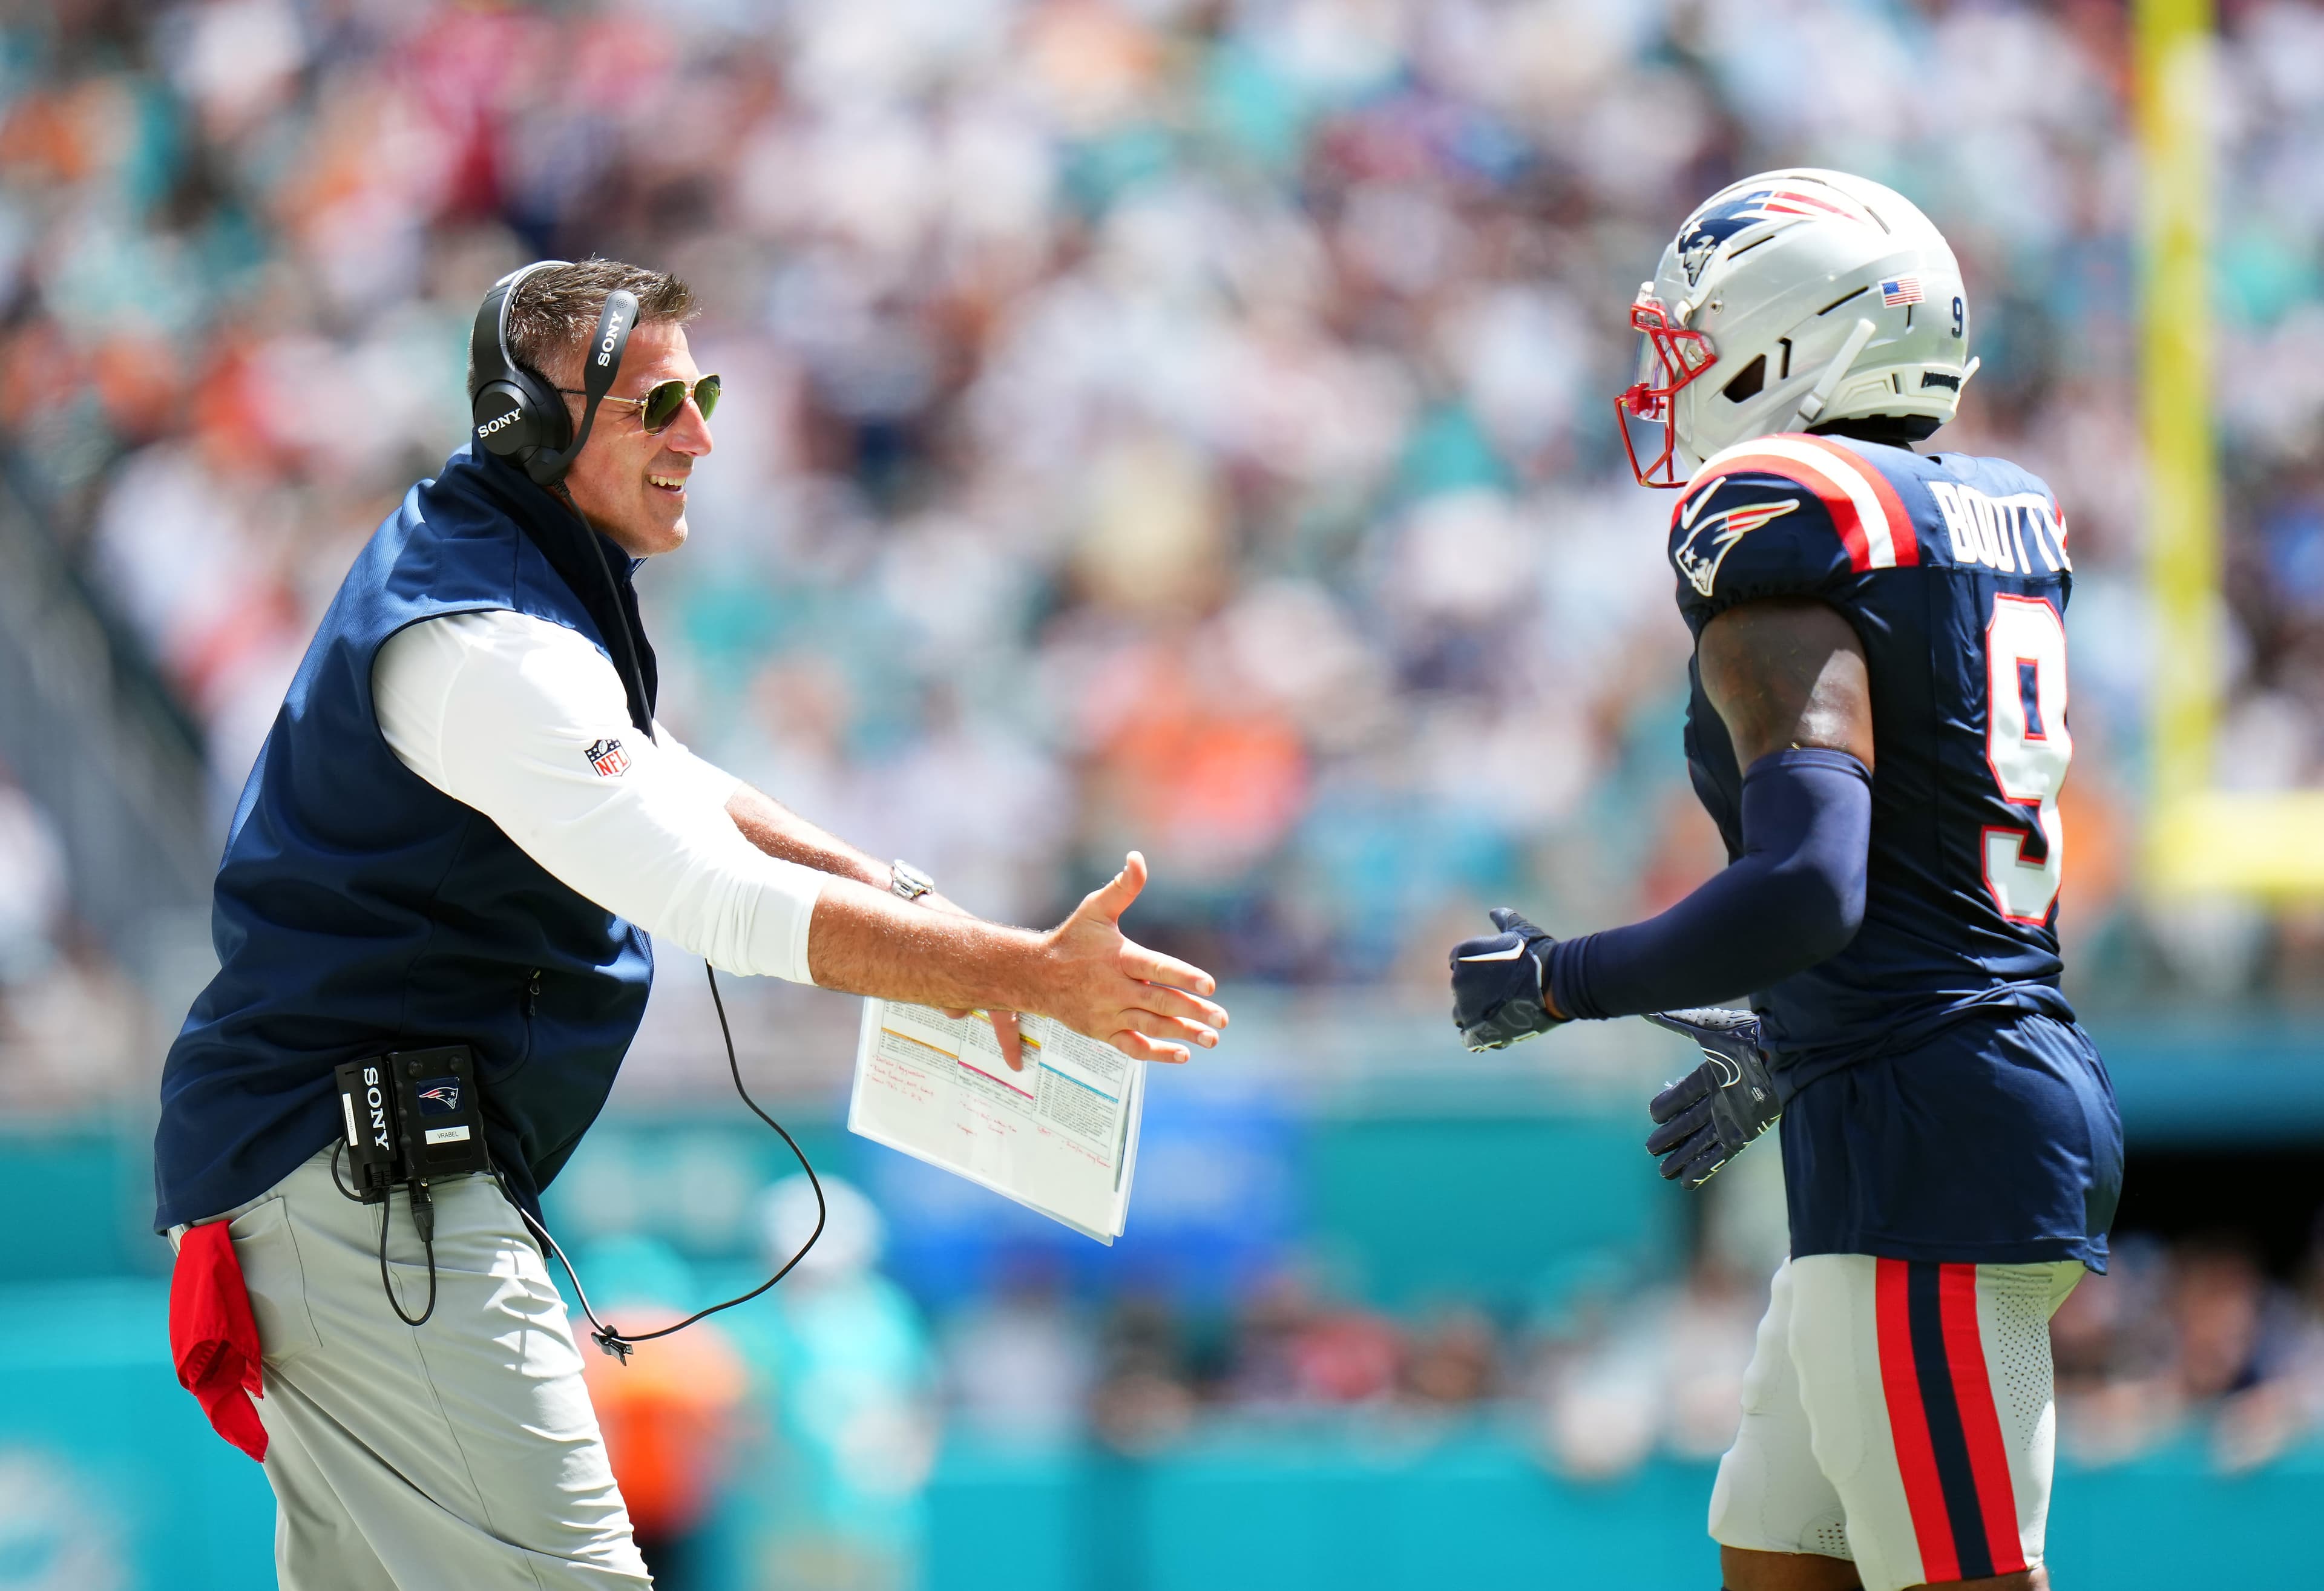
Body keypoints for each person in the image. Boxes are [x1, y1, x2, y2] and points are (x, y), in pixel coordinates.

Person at [153, 257, 1228, 1590]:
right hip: (369, 1188)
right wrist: (1004, 971)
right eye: (658, 405)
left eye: (703, 393)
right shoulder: (490, 639)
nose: (703, 434)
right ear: (532, 427)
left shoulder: (502, 574)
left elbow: (666, 772)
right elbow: (702, 893)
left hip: (355, 1184)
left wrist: (916, 910)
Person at [1447, 172, 2121, 1591]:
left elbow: (1815, 879)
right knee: (1777, 1555)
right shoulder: (1978, 513)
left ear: (1787, 345)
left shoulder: (1791, 512)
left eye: (1692, 341)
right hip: (1909, 1090)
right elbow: (1925, 865)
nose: (1669, 377)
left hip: (1928, 1125)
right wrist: (1798, 1030)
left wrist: (1568, 979)